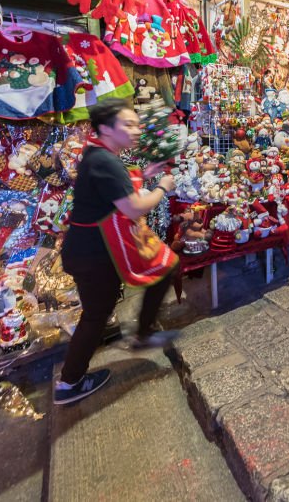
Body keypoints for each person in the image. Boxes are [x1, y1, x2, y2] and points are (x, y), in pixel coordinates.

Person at [54, 99, 179, 406]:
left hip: (100, 250)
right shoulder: (104, 161)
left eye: (136, 123)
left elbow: (120, 188)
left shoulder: (102, 155)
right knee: (96, 315)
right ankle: (69, 384)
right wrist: (162, 186)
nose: (137, 130)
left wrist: (147, 174)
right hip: (96, 253)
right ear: (106, 129)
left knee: (166, 268)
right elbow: (133, 205)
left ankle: (143, 333)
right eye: (129, 124)